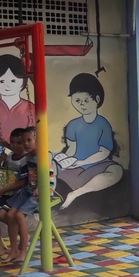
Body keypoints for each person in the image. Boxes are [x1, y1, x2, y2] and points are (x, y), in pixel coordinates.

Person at [54, 73, 122, 209]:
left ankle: (75, 194)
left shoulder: (103, 124)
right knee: (50, 165)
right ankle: (44, 202)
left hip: (98, 164)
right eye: (77, 101)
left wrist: (84, 162)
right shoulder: (73, 125)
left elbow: (103, 152)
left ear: (96, 99)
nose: (82, 105)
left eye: (86, 100)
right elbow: (71, 147)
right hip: (76, 165)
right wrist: (66, 159)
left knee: (117, 171)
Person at [0, 128, 26, 263]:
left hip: (18, 193)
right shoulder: (10, 157)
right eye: (12, 143)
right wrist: (0, 162)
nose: (14, 146)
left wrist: (3, 190)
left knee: (5, 216)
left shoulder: (25, 160)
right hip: (8, 192)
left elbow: (22, 182)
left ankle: (16, 247)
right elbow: (4, 174)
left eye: (18, 143)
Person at [0, 54, 35, 159]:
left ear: (23, 81)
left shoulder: (30, 107)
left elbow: (32, 138)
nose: (7, 85)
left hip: (23, 151)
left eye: (13, 81)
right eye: (1, 81)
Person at [3, 127, 39, 264]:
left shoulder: (43, 156)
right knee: (10, 215)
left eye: (29, 140)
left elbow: (50, 176)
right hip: (28, 190)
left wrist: (41, 188)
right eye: (24, 141)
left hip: (42, 191)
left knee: (18, 215)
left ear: (38, 140)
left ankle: (23, 251)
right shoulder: (28, 156)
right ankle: (13, 251)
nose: (26, 144)